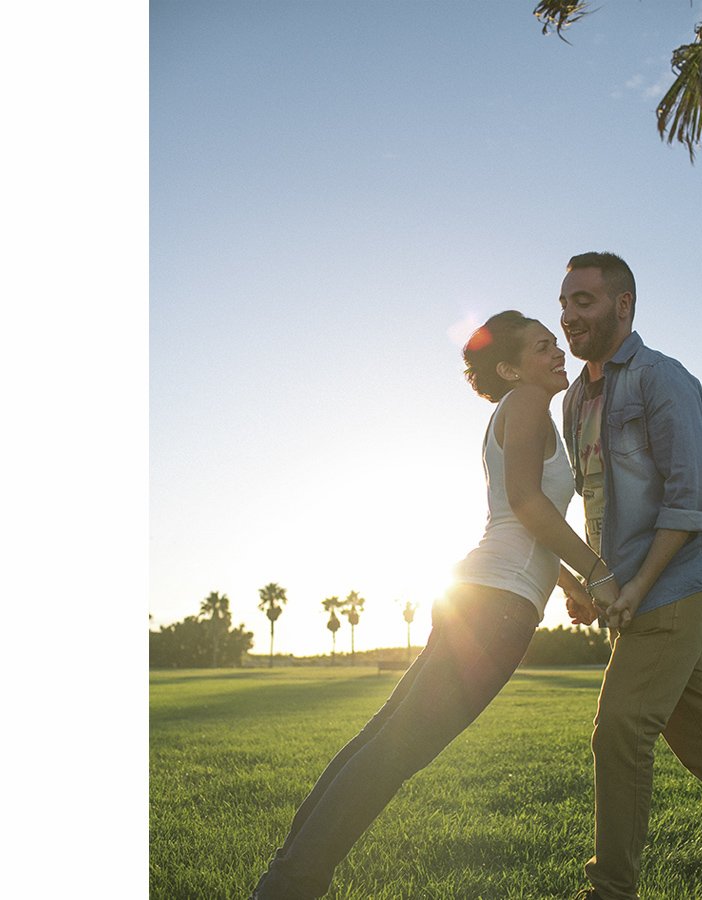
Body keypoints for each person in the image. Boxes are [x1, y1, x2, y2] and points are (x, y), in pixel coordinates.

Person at [248, 310, 619, 900]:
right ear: (509, 367)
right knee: (392, 754)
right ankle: (288, 887)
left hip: (481, 597)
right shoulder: (525, 403)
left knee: (381, 743)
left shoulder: (520, 410)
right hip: (494, 609)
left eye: (557, 345)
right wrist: (599, 573)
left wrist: (572, 587)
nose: (559, 355)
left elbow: (521, 522)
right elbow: (526, 503)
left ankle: (286, 878)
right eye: (544, 347)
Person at [557, 252, 702, 900]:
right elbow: (594, 503)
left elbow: (687, 501)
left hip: (676, 584)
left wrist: (638, 587)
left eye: (583, 300)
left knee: (619, 728)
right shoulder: (575, 400)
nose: (568, 315)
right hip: (630, 595)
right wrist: (594, 582)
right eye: (564, 301)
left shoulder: (663, 380)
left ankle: (608, 891)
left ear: (623, 306)